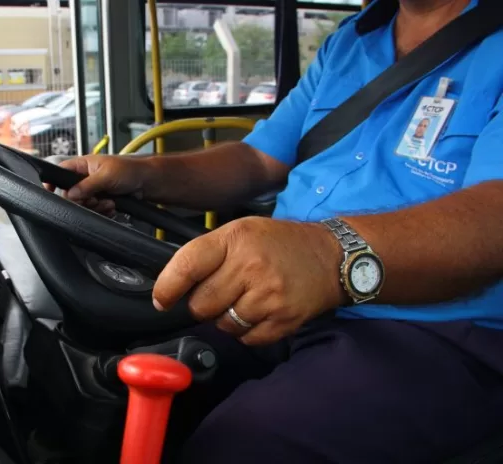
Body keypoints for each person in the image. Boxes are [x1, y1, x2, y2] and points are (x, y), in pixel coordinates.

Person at [53, 0, 503, 462]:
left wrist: (327, 255)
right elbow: (257, 158)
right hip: (278, 300)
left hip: (435, 333)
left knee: (240, 447)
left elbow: (494, 216)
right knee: (110, 391)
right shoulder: (350, 41)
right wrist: (143, 174)